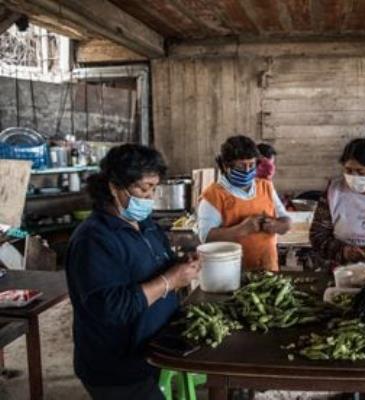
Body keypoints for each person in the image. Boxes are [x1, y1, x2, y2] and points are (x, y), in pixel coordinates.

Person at [65, 144, 200, 400]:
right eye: (143, 188)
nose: (150, 198)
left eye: (154, 188)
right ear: (114, 187)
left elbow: (159, 265)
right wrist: (170, 280)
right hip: (117, 367)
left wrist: (182, 266)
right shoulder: (94, 240)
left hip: (149, 351)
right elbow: (111, 308)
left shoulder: (145, 225)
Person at [197, 135, 291, 271]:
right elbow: (206, 237)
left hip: (268, 268)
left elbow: (285, 220)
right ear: (226, 165)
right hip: (231, 272)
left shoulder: (266, 187)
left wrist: (278, 225)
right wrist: (242, 229)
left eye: (251, 165)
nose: (247, 171)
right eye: (241, 166)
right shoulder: (213, 196)